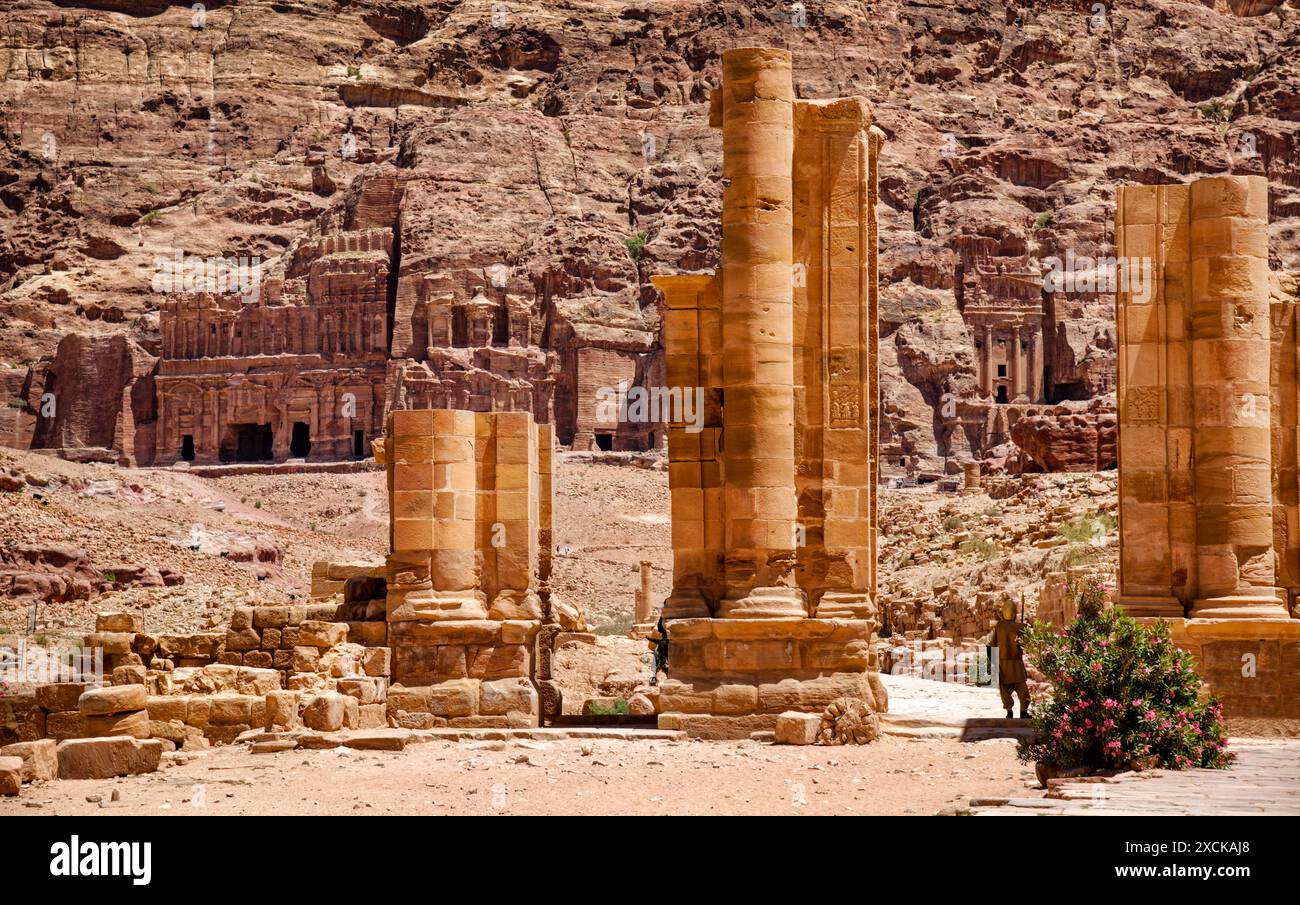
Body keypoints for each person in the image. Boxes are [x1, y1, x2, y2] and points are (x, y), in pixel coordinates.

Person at [985, 598, 1030, 719]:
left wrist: (992, 663)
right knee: (1022, 689)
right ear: (1014, 614)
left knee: (1005, 690)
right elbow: (1026, 644)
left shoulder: (999, 626)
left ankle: (1009, 711)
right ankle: (1023, 711)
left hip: (1003, 664)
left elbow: (990, 645)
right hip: (1017, 664)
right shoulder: (1021, 627)